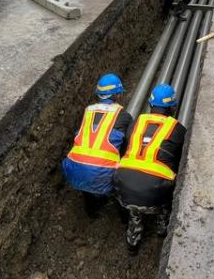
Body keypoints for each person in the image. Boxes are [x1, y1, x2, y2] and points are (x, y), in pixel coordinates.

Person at [114, 84, 187, 254]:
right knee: (170, 190)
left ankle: (132, 244)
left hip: (123, 187)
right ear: (173, 107)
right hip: (156, 195)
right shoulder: (178, 129)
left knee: (134, 208)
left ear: (150, 105)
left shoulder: (136, 122)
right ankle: (162, 227)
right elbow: (179, 161)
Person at [61, 73, 133, 218]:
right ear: (117, 95)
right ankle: (124, 217)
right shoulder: (124, 116)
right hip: (101, 172)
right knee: (122, 178)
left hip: (73, 167)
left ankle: (91, 212)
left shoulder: (88, 111)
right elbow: (126, 148)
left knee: (88, 178)